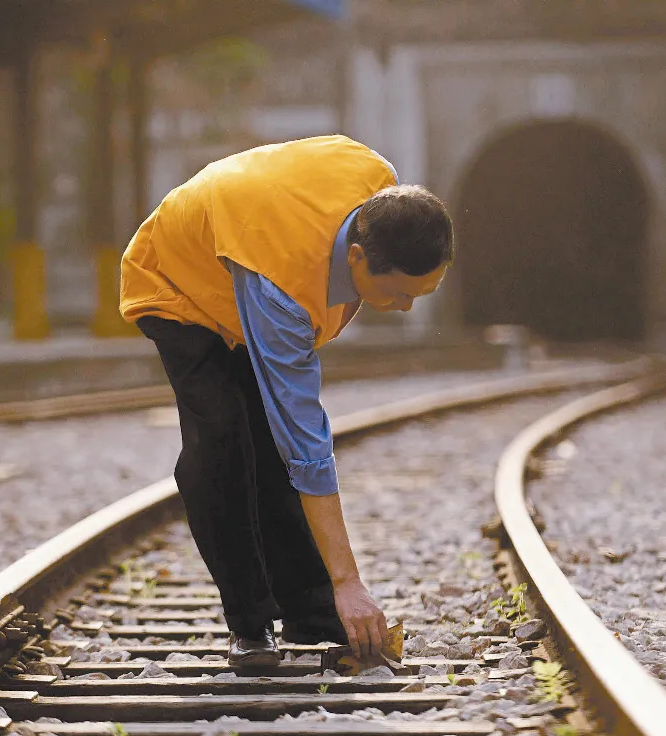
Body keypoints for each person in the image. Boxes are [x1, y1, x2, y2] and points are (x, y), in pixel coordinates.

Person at [119, 134, 454, 668]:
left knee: (269, 439)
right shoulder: (284, 287)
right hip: (180, 285)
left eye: (421, 294)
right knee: (224, 440)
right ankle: (250, 625)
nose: (406, 308)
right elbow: (306, 442)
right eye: (398, 293)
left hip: (243, 253)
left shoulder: (379, 183)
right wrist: (351, 580)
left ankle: (310, 609)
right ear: (358, 255)